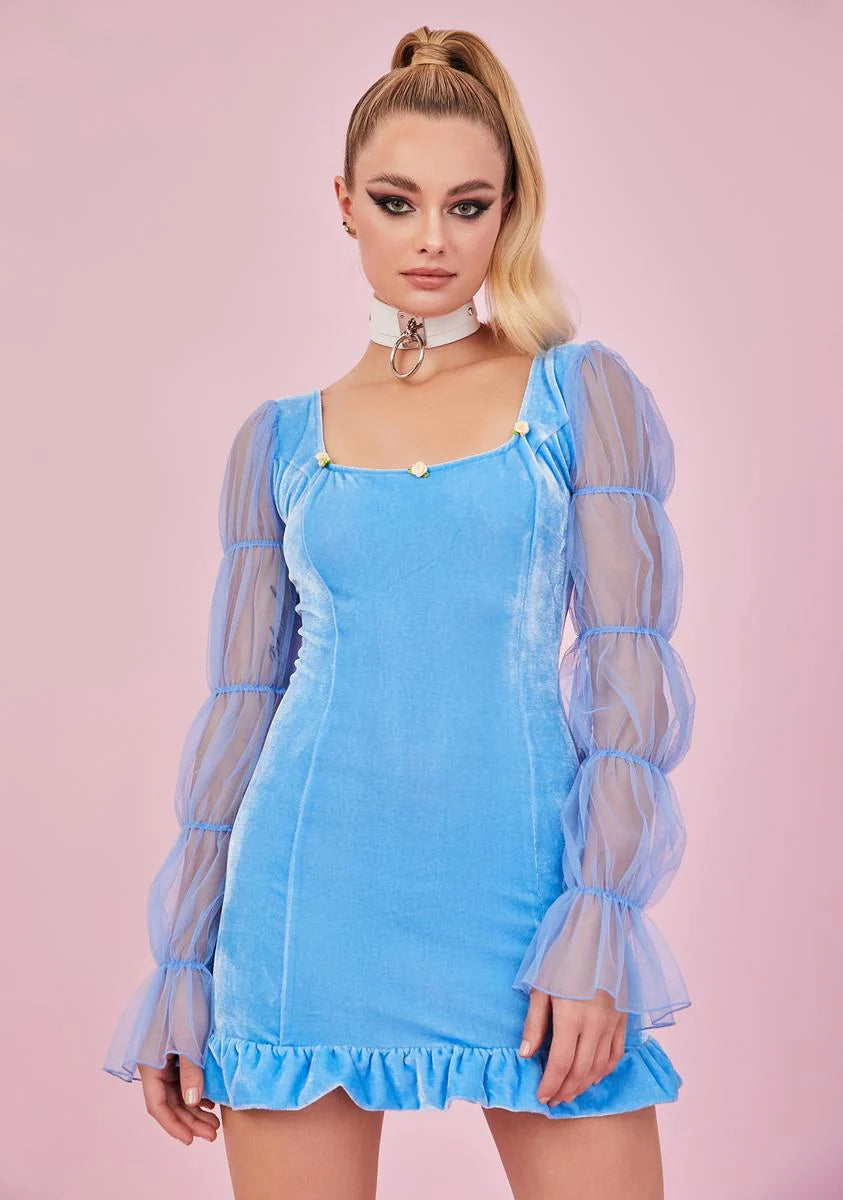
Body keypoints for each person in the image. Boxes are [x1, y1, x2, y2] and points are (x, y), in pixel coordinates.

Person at [102, 24, 695, 1200]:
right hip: (305, 908)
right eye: (397, 200)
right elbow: (242, 709)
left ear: (509, 210)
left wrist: (598, 918)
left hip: (526, 905)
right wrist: (182, 966)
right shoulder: (280, 440)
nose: (433, 238)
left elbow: (630, 679)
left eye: (468, 205)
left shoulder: (580, 396)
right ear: (345, 204)